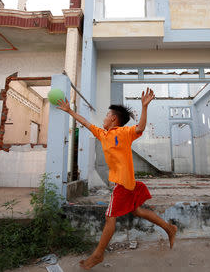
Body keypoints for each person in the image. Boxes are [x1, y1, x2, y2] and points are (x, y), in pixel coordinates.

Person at [57, 87, 177, 270]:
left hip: (122, 184)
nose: (104, 118)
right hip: (129, 183)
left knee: (109, 218)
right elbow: (86, 122)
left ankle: (98, 255)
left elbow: (141, 127)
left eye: (106, 115)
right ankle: (169, 228)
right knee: (137, 211)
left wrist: (144, 107)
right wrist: (69, 111)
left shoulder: (124, 133)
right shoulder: (102, 134)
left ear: (113, 118)